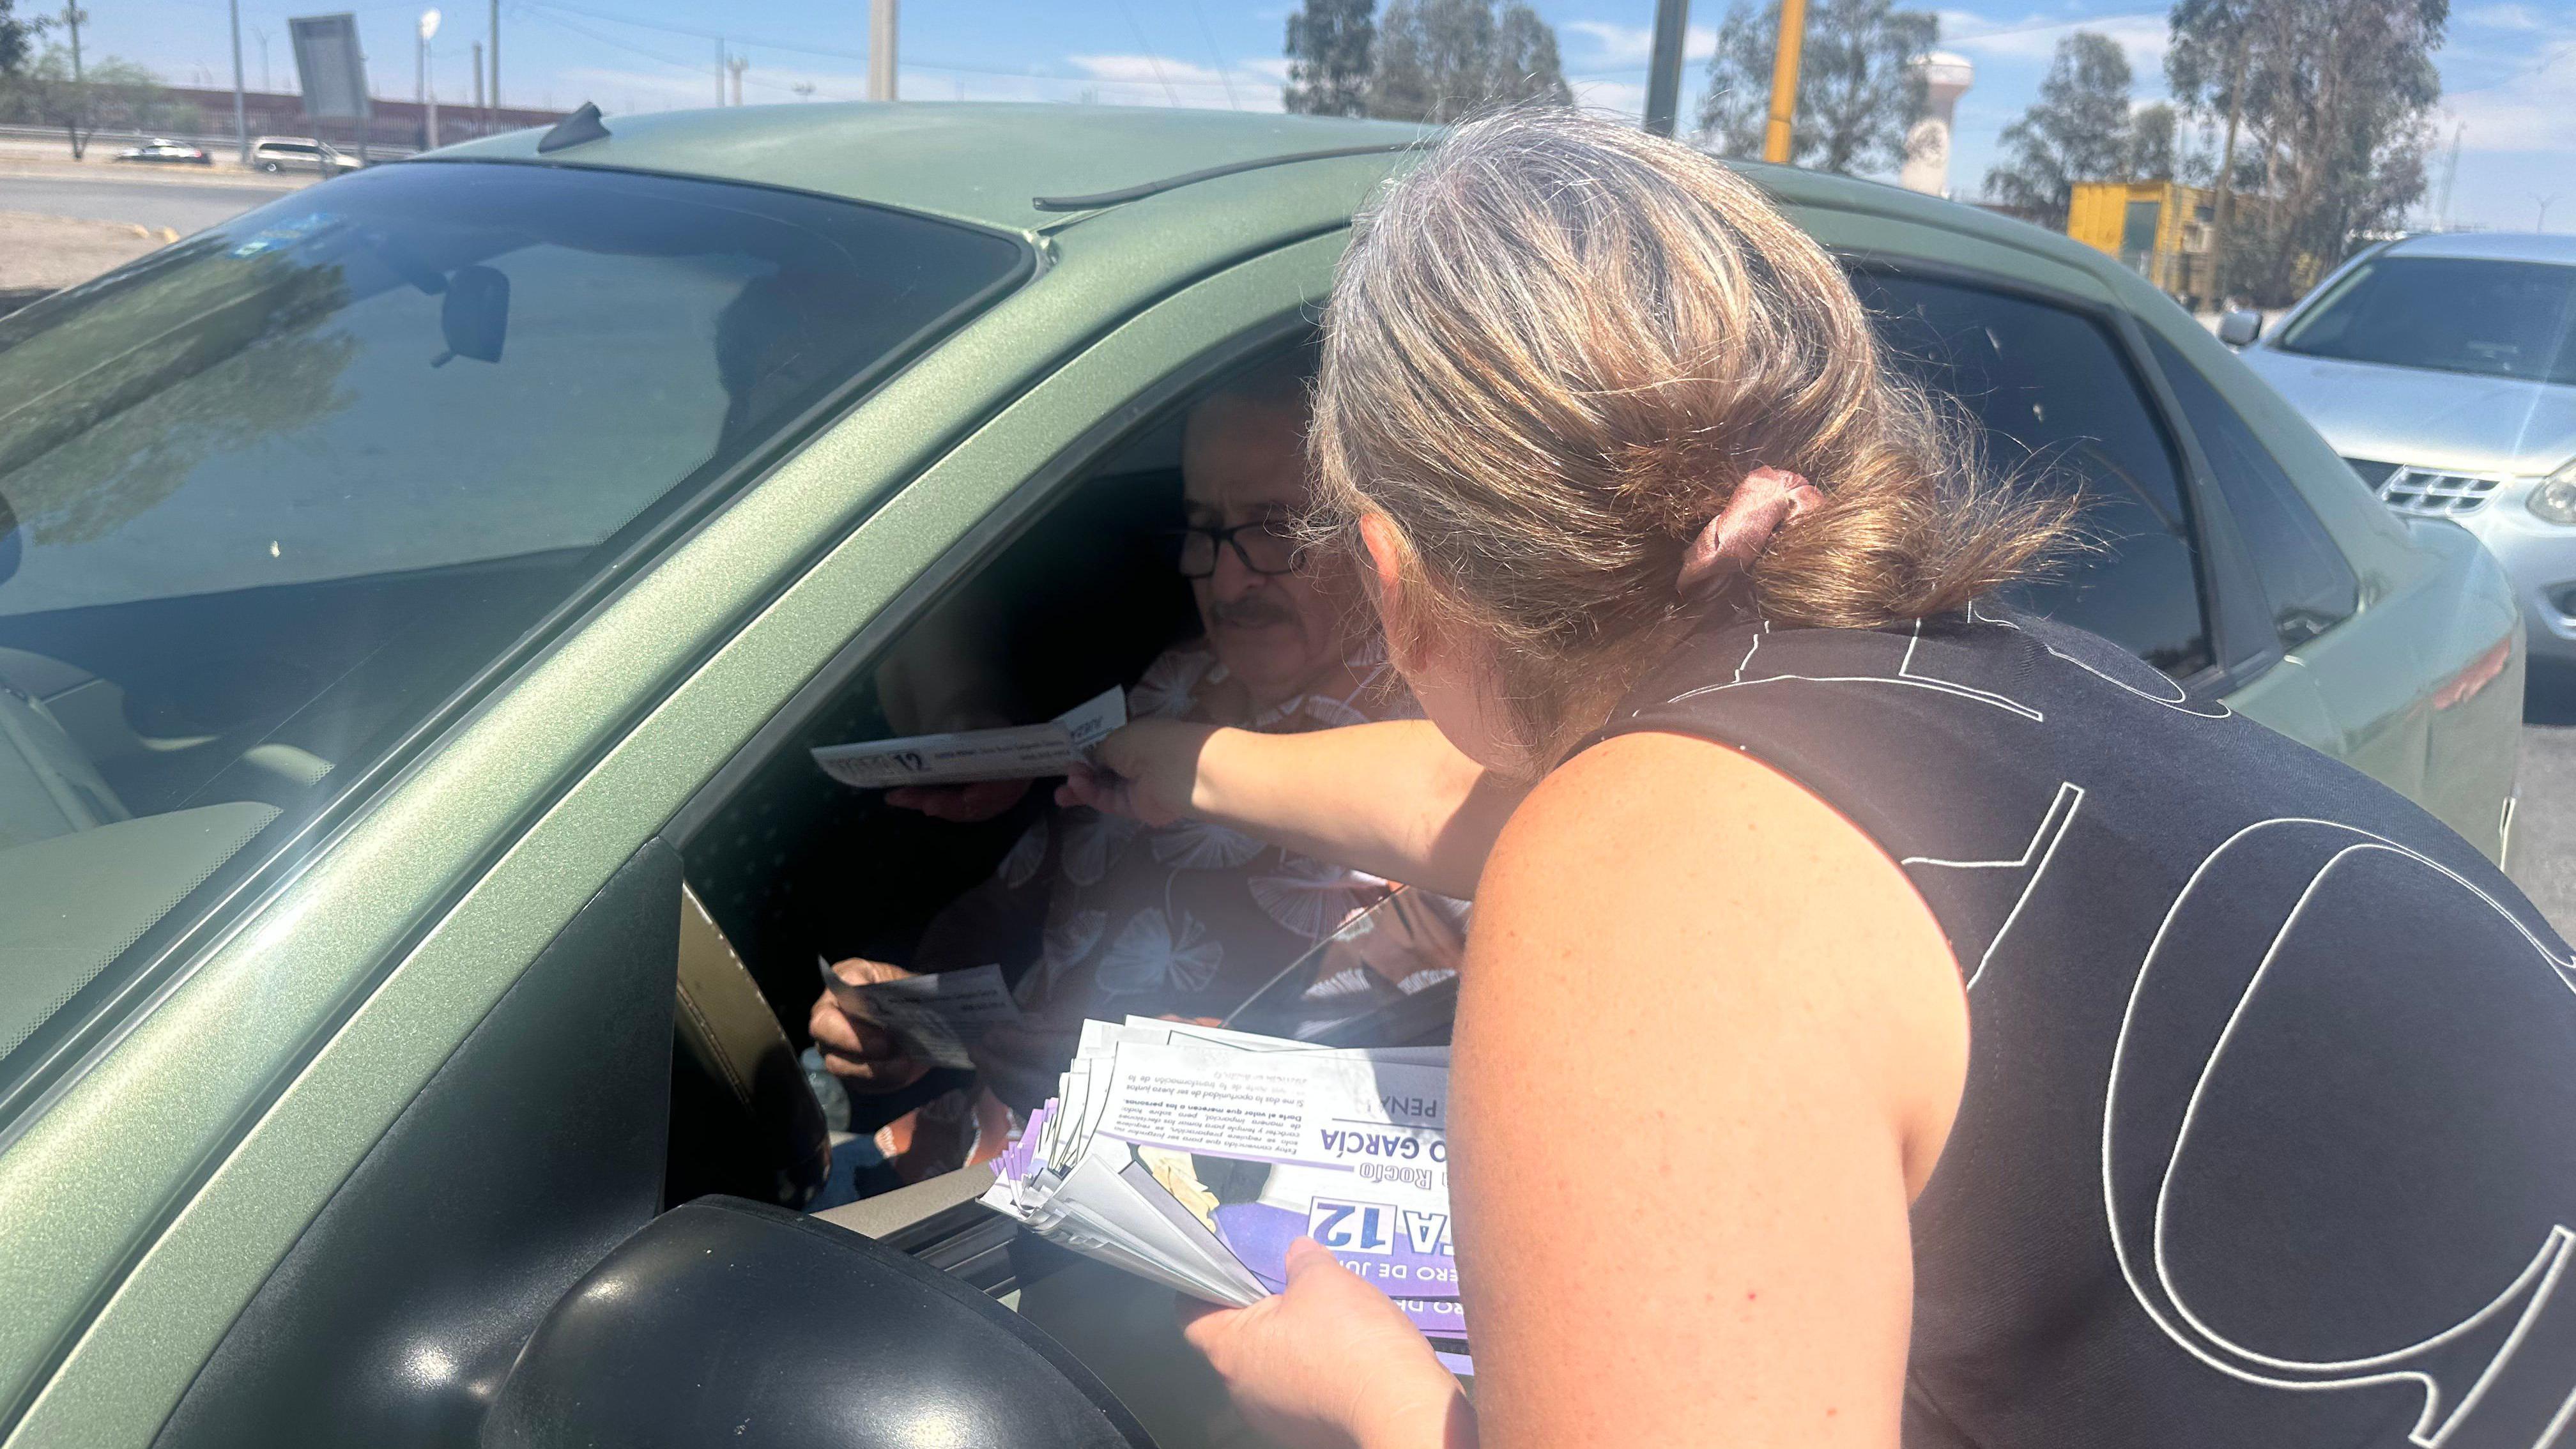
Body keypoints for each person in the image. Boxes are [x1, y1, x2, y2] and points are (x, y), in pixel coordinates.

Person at [1058, 109, 2568, 1449]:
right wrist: (1198, 766)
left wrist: (1376, 1402)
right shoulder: (1973, 681)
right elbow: (1474, 806)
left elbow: (1595, 851)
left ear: (1391, 577)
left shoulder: (1647, 878)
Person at [808, 361, 1417, 1184]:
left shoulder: (1450, 751)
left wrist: (1144, 1087)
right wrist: (912, 1013)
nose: (1227, 577)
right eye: (1205, 528)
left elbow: (1428, 1079)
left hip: (1169, 1227)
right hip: (969, 1158)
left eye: (1276, 528)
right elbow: (1010, 903)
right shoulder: (1178, 680)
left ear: (1384, 527)